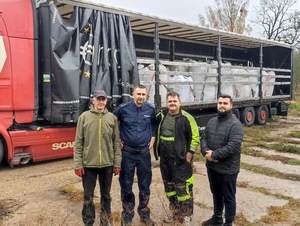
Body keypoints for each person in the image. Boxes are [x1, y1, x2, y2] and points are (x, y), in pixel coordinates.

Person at [73, 90, 122, 226]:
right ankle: (89, 222)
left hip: (107, 165)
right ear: (93, 101)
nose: (101, 102)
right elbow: (78, 143)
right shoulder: (84, 117)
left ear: (106, 101)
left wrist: (117, 163)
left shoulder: (111, 118)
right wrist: (78, 164)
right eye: (98, 99)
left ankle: (105, 222)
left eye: (103, 99)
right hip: (89, 165)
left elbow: (116, 143)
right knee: (88, 197)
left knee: (106, 196)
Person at [154, 91, 200, 226]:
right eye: (170, 102)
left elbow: (195, 137)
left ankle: (186, 215)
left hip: (181, 159)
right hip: (165, 158)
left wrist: (189, 154)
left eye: (175, 101)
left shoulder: (187, 118)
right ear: (166, 103)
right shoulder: (162, 116)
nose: (172, 104)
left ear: (179, 102)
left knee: (183, 188)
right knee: (169, 187)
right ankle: (174, 212)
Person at [113, 85, 157, 226]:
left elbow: (154, 124)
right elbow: (112, 122)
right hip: (128, 153)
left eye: (143, 94)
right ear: (133, 94)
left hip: (144, 153)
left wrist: (153, 136)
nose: (141, 97)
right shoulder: (123, 108)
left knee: (145, 185)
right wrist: (117, 137)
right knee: (126, 185)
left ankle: (144, 214)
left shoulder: (150, 109)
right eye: (138, 94)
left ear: (146, 96)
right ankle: (127, 215)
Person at [201, 94, 244, 226]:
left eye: (225, 103)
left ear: (231, 106)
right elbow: (204, 137)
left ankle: (228, 223)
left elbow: (233, 146)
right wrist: (205, 151)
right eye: (220, 103)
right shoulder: (212, 121)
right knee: (216, 193)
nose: (222, 105)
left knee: (229, 198)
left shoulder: (236, 125)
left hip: (228, 169)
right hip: (212, 167)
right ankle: (217, 218)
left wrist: (214, 155)